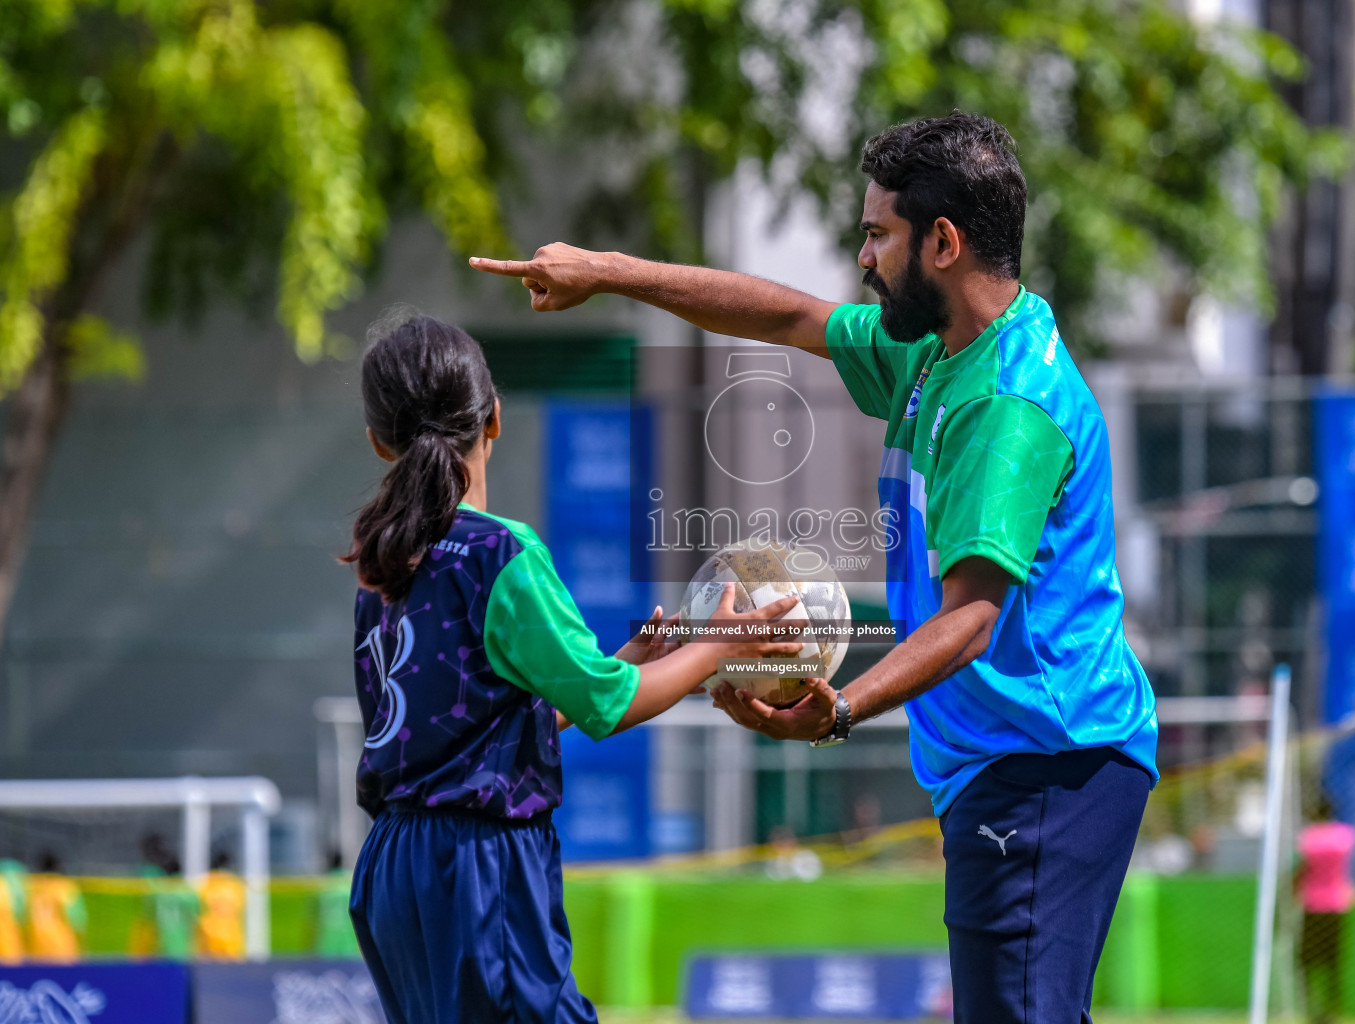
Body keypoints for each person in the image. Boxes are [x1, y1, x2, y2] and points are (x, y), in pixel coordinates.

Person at [471, 110, 1158, 1023]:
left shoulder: (1007, 408)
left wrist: (839, 710)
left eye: (878, 234)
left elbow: (971, 620)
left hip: (1048, 763)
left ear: (943, 243)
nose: (863, 256)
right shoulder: (937, 350)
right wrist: (609, 273)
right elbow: (787, 314)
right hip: (1011, 761)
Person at [341, 309, 804, 1023]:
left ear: (378, 442)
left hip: (393, 868)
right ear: (492, 419)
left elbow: (465, 729)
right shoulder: (502, 554)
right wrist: (718, 644)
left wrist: (625, 661)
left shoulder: (382, 570)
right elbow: (609, 704)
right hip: (476, 863)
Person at [1296, 813, 1355, 1024]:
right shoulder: (1344, 836)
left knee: (1305, 961)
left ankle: (1311, 1007)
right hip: (1337, 904)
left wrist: (1293, 887)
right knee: (1333, 962)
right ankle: (1332, 1008)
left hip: (1313, 905)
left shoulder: (1309, 837)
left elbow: (1303, 867)